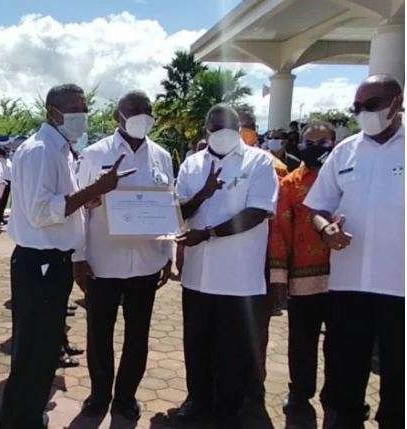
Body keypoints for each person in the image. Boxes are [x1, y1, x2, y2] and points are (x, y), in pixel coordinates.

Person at [0, 83, 132, 428]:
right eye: (74, 108)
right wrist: (96, 188)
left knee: (40, 353)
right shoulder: (41, 150)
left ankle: (24, 415)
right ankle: (21, 420)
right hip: (39, 263)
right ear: (52, 111)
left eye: (84, 107)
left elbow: (60, 204)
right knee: (34, 353)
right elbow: (42, 212)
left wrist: (88, 198)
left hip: (52, 263)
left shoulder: (61, 149)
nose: (81, 115)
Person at [304, 74, 404, 429]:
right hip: (350, 285)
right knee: (346, 373)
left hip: (400, 288)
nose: (362, 113)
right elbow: (316, 207)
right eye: (356, 107)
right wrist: (325, 228)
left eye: (370, 105)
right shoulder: (344, 152)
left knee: (399, 380)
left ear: (396, 103)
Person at [174, 104, 278, 428]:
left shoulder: (259, 162)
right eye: (215, 127)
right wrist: (203, 194)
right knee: (197, 341)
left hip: (238, 277)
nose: (222, 133)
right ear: (206, 130)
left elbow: (257, 212)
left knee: (233, 346)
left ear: (240, 127)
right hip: (196, 276)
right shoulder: (191, 165)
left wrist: (209, 233)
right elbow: (181, 212)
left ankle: (230, 407)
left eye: (228, 127)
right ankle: (198, 398)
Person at [74, 91, 174, 421]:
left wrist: (167, 253)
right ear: (118, 115)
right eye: (134, 111)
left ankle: (126, 396)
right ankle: (99, 395)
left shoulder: (162, 156)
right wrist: (78, 257)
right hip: (103, 263)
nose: (142, 116)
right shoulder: (93, 154)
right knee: (99, 334)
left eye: (148, 111)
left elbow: (167, 206)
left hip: (147, 262)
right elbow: (80, 211)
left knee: (138, 335)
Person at [269, 121, 336, 426]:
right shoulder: (290, 183)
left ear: (334, 143)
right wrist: (279, 280)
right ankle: (300, 394)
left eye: (322, 142)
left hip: (344, 281)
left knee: (341, 343)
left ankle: (337, 397)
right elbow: (280, 232)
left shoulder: (346, 180)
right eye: (309, 142)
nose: (315, 148)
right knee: (302, 342)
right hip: (302, 280)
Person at [0, 151, 13, 225]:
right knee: (1, 201)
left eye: (8, 152)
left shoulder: (8, 161)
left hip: (9, 182)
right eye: (6, 152)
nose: (7, 153)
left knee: (5, 201)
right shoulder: (1, 160)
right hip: (3, 181)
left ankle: (1, 216)